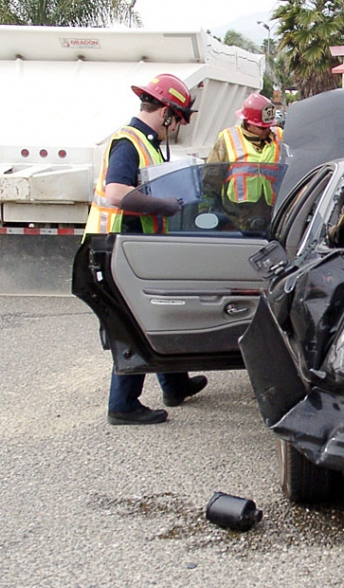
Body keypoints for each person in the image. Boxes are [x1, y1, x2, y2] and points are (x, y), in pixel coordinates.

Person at [85, 73, 208, 425]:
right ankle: (122, 405)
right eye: (178, 119)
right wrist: (165, 205)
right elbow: (117, 193)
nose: (176, 127)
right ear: (166, 112)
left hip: (132, 244)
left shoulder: (146, 141)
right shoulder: (129, 141)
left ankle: (174, 383)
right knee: (131, 322)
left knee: (157, 313)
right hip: (114, 245)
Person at [201, 93, 285, 234]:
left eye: (268, 127)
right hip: (236, 226)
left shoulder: (280, 137)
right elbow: (210, 182)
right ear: (248, 122)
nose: (267, 131)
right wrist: (206, 216)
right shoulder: (227, 140)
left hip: (273, 224)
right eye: (262, 127)